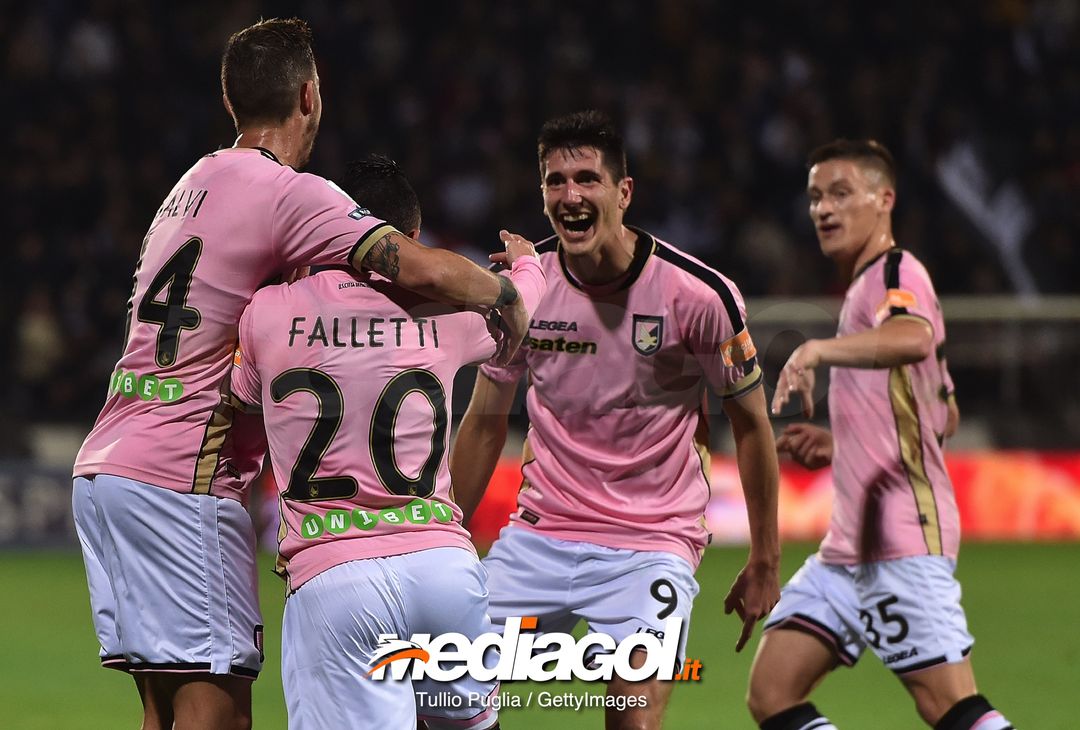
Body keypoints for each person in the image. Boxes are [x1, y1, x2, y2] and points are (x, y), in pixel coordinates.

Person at [70, 19, 533, 730]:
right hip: (181, 475)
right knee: (216, 711)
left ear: (232, 103)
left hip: (109, 465)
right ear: (309, 96)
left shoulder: (191, 184)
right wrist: (507, 293)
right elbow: (419, 265)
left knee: (163, 709)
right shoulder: (292, 192)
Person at [450, 110, 782, 729]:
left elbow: (753, 426)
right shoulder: (525, 288)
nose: (570, 196)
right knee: (444, 697)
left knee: (633, 713)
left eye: (586, 179)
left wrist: (764, 558)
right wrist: (443, 539)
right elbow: (484, 421)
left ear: (623, 193)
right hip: (539, 538)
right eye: (554, 182)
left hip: (651, 545)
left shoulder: (699, 295)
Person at [230, 153, 546, 729]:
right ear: (416, 237)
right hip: (443, 566)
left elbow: (245, 399)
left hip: (335, 575)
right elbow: (525, 308)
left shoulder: (266, 314)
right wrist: (527, 266)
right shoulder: (450, 309)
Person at [748, 139, 1013, 730]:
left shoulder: (897, 271)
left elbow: (914, 337)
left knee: (947, 705)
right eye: (816, 197)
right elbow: (943, 415)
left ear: (884, 199)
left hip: (899, 538)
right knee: (773, 691)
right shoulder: (864, 287)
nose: (824, 209)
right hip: (848, 546)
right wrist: (847, 448)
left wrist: (816, 349)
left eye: (841, 193)